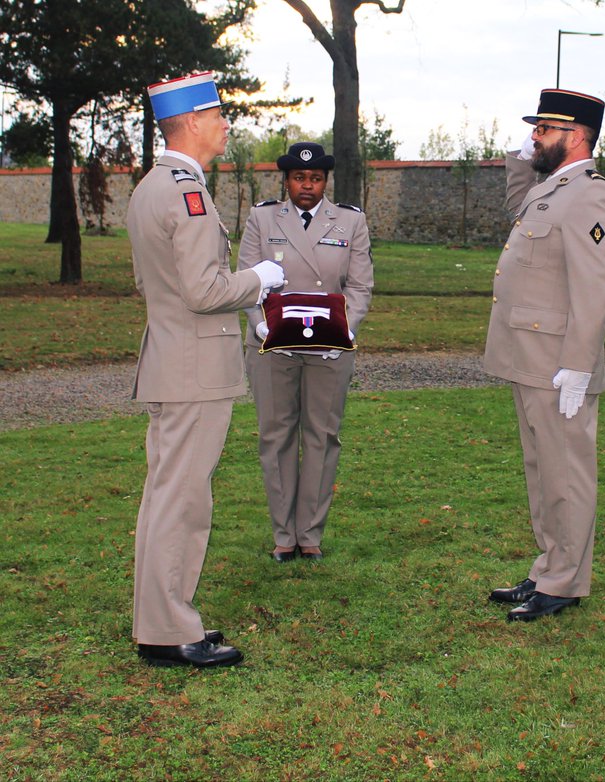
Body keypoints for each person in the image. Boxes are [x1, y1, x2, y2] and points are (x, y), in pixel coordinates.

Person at [127, 72, 285, 668]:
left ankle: (158, 621)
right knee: (183, 500)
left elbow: (155, 283)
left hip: (172, 359)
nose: (225, 124)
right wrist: (258, 283)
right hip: (194, 368)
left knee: (166, 496)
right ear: (190, 121)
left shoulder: (152, 186)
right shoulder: (186, 191)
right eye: (217, 114)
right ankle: (169, 630)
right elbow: (200, 288)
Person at [483, 89, 605, 621]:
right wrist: (524, 155)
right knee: (543, 471)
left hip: (560, 361)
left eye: (545, 129)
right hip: (532, 356)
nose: (536, 136)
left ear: (577, 135)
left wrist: (580, 365)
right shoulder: (552, 190)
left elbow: (597, 287)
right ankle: (549, 565)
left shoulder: (590, 196)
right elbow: (518, 200)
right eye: (535, 129)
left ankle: (566, 580)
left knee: (567, 473)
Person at [240, 142, 374, 562]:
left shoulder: (350, 221)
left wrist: (344, 331)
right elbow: (246, 278)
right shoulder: (262, 217)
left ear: (325, 182)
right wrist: (259, 322)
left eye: (315, 179)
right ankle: (284, 534)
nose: (307, 186)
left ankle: (310, 533)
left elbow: (359, 286)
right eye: (299, 178)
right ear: (286, 180)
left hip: (328, 347)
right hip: (271, 344)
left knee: (322, 434)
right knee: (276, 435)